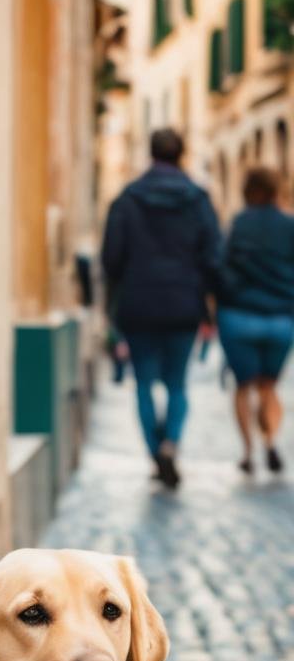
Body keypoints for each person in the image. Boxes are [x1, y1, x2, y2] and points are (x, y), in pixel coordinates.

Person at [101, 127, 221, 489]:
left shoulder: (127, 199)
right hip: (184, 304)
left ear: (150, 154)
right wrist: (211, 305)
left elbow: (111, 259)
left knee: (143, 384)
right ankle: (170, 443)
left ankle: (155, 453)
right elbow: (213, 257)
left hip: (138, 306)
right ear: (181, 155)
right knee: (177, 385)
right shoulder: (198, 200)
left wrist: (116, 296)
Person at [217, 166, 294, 475]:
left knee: (242, 386)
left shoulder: (238, 224)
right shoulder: (289, 225)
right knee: (268, 387)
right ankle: (271, 441)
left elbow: (220, 266)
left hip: (238, 316)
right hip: (280, 318)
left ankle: (248, 452)